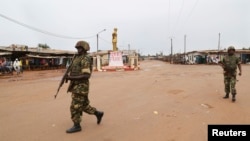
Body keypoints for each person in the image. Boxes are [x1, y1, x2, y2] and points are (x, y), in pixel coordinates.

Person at [65, 40, 104, 133]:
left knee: (74, 107)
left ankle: (77, 125)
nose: (78, 50)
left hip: (81, 87)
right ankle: (98, 113)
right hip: (76, 86)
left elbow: (86, 75)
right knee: (84, 106)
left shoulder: (85, 59)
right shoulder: (77, 57)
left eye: (80, 48)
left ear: (84, 48)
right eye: (77, 48)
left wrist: (70, 77)